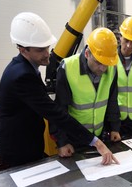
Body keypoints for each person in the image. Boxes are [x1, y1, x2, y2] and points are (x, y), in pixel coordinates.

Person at [0, 12, 118, 167]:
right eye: (40, 50)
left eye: (47, 47)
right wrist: (97, 143)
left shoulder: (27, 68)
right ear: (23, 50)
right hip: (18, 150)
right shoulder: (21, 75)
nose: (47, 54)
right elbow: (55, 112)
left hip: (30, 143)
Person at [51, 27, 121, 157]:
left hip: (99, 137)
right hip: (74, 139)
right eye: (98, 62)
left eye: (106, 63)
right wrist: (62, 142)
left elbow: (112, 100)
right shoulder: (67, 68)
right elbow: (59, 109)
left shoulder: (112, 69)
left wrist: (114, 128)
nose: (103, 68)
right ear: (87, 53)